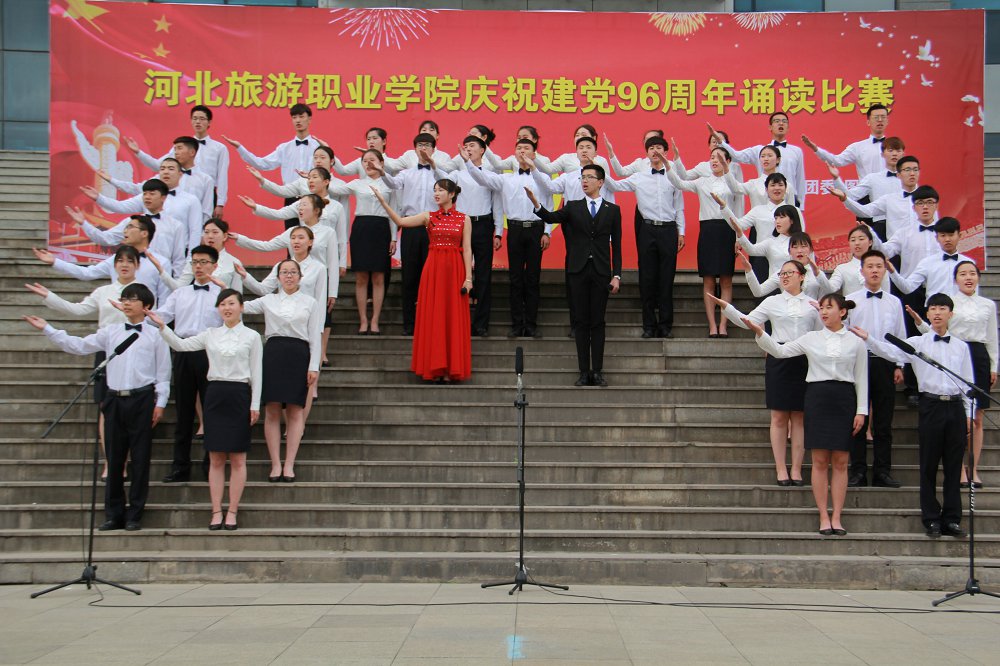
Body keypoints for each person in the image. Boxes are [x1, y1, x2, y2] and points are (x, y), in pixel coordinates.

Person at [23, 283, 170, 531]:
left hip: (142, 399)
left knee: (140, 458)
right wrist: (48, 329)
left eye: (132, 299)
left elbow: (163, 373)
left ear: (146, 306)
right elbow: (79, 346)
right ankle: (114, 513)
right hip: (114, 398)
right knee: (114, 457)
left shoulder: (156, 335)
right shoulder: (111, 331)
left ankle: (135, 513)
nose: (126, 303)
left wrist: (161, 403)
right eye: (124, 299)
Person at [744, 293, 867, 535]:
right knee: (819, 461)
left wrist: (861, 411)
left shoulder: (856, 342)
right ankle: (823, 516)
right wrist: (761, 334)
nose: (823, 312)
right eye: (821, 308)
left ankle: (837, 516)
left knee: (841, 461)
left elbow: (862, 378)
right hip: (817, 397)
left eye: (829, 307)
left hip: (844, 399)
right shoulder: (811, 338)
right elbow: (780, 352)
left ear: (842, 312)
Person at [851, 293, 973, 538]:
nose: (937, 313)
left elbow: (967, 381)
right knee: (928, 465)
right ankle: (931, 518)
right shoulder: (918, 343)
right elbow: (890, 351)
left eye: (942, 309)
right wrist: (869, 339)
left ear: (951, 314)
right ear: (927, 314)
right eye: (933, 309)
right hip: (931, 405)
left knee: (953, 466)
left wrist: (969, 412)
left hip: (955, 407)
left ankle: (952, 518)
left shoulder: (961, 346)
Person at [150, 289, 262, 531]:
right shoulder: (210, 334)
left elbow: (257, 373)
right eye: (222, 304)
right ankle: (216, 511)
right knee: (216, 457)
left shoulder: (252, 336)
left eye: (231, 303)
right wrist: (162, 326)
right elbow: (181, 345)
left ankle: (232, 511)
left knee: (238, 458)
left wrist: (255, 404)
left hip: (240, 394)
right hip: (215, 395)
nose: (227, 308)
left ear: (241, 307)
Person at [25, 244, 139, 481]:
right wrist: (49, 296)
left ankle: (125, 461)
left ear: (137, 265)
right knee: (106, 407)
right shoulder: (104, 291)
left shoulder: (144, 291)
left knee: (129, 409)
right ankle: (110, 461)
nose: (125, 265)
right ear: (114, 265)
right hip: (106, 350)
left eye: (130, 261)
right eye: (120, 260)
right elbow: (77, 310)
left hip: (135, 350)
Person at [712, 260, 823, 485]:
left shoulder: (813, 304)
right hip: (777, 357)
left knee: (799, 417)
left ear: (802, 276)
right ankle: (781, 468)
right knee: (779, 416)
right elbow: (748, 322)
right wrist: (728, 308)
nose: (785, 276)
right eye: (782, 273)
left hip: (805, 359)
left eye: (790, 273)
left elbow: (821, 334)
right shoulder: (772, 301)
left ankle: (797, 469)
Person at [526, 164, 622, 387]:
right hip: (577, 271)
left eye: (589, 177)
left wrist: (616, 275)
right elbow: (550, 217)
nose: (584, 181)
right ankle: (583, 372)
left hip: (601, 272)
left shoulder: (612, 210)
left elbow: (616, 246)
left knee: (597, 322)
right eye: (582, 177)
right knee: (580, 321)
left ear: (601, 182)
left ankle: (597, 371)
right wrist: (536, 204)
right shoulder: (573, 206)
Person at [371, 179, 472, 382]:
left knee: (452, 315)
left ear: (452, 194)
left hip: (455, 271)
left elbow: (467, 249)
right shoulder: (428, 216)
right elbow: (401, 222)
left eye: (440, 190)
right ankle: (434, 368)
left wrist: (468, 278)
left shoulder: (464, 219)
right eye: (435, 190)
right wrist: (383, 202)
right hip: (433, 270)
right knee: (434, 315)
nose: (436, 193)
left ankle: (451, 369)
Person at [909, 261, 996, 489]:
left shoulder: (987, 304)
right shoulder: (948, 303)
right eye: (962, 274)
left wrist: (994, 365)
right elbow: (937, 332)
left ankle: (973, 468)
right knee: (960, 417)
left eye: (972, 273)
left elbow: (991, 337)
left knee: (977, 417)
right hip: (953, 353)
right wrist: (920, 324)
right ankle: (959, 470)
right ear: (955, 279)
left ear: (978, 277)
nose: (968, 277)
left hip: (978, 355)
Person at [243, 259, 322, 483]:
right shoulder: (268, 300)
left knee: (295, 411)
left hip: (299, 354)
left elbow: (315, 336)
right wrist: (224, 285)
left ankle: (289, 464)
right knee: (272, 410)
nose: (289, 276)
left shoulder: (310, 302)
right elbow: (241, 306)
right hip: (273, 354)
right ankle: (275, 464)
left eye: (293, 272)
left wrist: (313, 366)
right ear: (277, 277)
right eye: (284, 272)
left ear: (300, 276)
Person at [467, 138, 553, 338]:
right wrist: (468, 163)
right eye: (519, 148)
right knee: (515, 279)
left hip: (536, 229)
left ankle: (531, 325)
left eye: (527, 148)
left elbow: (549, 204)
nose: (522, 151)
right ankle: (516, 324)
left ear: (534, 154)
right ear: (514, 153)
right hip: (514, 230)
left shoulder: (542, 178)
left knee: (532, 279)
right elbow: (482, 179)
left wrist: (547, 231)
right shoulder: (505, 179)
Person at [152, 245, 222, 484]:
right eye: (194, 262)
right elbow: (162, 316)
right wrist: (141, 316)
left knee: (211, 410)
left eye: (203, 262)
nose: (198, 267)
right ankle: (180, 466)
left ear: (214, 265)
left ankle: (210, 464)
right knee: (183, 411)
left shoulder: (221, 294)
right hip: (183, 350)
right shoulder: (179, 294)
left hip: (210, 352)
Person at [603, 135, 684, 338]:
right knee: (647, 279)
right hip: (647, 230)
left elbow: (679, 207)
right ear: (646, 153)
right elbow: (614, 185)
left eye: (659, 147)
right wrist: (603, 163)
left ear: (665, 152)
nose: (655, 151)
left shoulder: (673, 176)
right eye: (651, 148)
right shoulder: (639, 176)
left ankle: (665, 326)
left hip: (668, 230)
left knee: (666, 279)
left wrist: (681, 231)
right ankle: (649, 326)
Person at [845, 250, 906, 488]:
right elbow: (844, 332)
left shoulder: (894, 302)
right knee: (858, 419)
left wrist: (899, 365)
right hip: (858, 362)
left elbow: (900, 336)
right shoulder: (851, 300)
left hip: (885, 363)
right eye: (869, 266)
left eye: (879, 266)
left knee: (883, 421)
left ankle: (882, 471)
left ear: (884, 270)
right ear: (862, 271)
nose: (874, 270)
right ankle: (858, 471)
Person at [666, 144, 739, 337]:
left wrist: (739, 237)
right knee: (708, 280)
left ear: (728, 161)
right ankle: (712, 325)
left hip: (727, 231)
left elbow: (739, 211)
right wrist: (672, 161)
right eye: (712, 157)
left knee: (726, 280)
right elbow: (680, 182)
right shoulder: (702, 182)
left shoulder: (733, 183)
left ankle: (723, 324)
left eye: (719, 157)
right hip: (708, 231)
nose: (714, 160)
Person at [380, 133, 442, 336]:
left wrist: (434, 166)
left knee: (432, 277)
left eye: (427, 145)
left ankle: (431, 322)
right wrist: (381, 172)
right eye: (420, 145)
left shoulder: (440, 173)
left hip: (434, 227)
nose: (423, 148)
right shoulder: (406, 173)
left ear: (434, 149)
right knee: (409, 276)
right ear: (414, 149)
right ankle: (409, 323)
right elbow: (393, 184)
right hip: (411, 227)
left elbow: (448, 185)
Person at [34, 214, 170, 306]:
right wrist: (55, 261)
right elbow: (87, 273)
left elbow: (164, 300)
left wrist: (155, 324)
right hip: (116, 323)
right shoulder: (116, 260)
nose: (125, 232)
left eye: (130, 227)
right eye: (125, 228)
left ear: (144, 233)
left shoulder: (161, 263)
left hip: (148, 327)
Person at [443, 135, 504, 337]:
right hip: (462, 225)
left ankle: (481, 324)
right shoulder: (457, 174)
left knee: (483, 275)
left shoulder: (491, 175)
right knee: (460, 273)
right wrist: (431, 163)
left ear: (482, 150)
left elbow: (497, 204)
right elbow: (442, 181)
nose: (468, 149)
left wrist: (498, 232)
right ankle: (458, 321)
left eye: (472, 146)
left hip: (483, 225)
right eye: (466, 146)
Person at [224, 103, 319, 229]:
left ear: (309, 119)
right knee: (291, 236)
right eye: (294, 117)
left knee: (314, 235)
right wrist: (240, 148)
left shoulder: (318, 147)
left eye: (301, 117)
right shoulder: (284, 148)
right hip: (291, 197)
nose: (298, 120)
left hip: (313, 197)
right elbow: (262, 163)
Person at [73, 178, 187, 277]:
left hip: (162, 275)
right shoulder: (132, 222)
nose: (147, 197)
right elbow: (106, 238)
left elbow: (178, 259)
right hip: (132, 275)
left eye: (152, 194)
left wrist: (176, 284)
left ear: (163, 197)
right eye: (145, 194)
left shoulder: (176, 225)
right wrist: (84, 224)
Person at [131, 105, 230, 218]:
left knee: (203, 223)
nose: (198, 122)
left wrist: (220, 204)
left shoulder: (219, 148)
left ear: (209, 122)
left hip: (206, 193)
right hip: (182, 191)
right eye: (195, 118)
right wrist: (138, 152)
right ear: (191, 121)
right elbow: (157, 166)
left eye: (202, 119)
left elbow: (222, 177)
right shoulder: (181, 147)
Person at [91, 158, 204, 252]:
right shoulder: (146, 196)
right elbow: (121, 206)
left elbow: (195, 231)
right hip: (147, 252)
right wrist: (99, 198)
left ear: (180, 174)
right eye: (162, 169)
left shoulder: (191, 200)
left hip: (178, 252)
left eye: (170, 169)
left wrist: (191, 260)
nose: (166, 172)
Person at [710, 113, 807, 209]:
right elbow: (737, 156)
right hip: (764, 196)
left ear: (788, 127)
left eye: (784, 121)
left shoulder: (796, 151)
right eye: (777, 121)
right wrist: (720, 142)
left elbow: (800, 180)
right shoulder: (759, 150)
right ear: (770, 127)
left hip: (787, 197)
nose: (781, 123)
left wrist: (800, 205)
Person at [825, 136, 906, 241]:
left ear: (903, 154)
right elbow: (851, 196)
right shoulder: (873, 179)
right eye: (890, 150)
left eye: (898, 151)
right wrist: (836, 178)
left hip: (904, 226)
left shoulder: (909, 179)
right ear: (882, 154)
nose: (894, 154)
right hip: (881, 225)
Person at [887, 217, 973, 304]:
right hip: (936, 310)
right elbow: (907, 288)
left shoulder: (969, 263)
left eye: (951, 235)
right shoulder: (927, 263)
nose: (947, 239)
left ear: (959, 236)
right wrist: (893, 272)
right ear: (937, 238)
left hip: (962, 310)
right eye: (943, 235)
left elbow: (973, 292)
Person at [127, 135, 213, 221]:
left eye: (179, 148)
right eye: (175, 149)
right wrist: (138, 152)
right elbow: (155, 166)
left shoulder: (205, 180)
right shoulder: (164, 177)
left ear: (192, 152)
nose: (176, 152)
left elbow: (206, 211)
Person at [802, 103, 891, 181]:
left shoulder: (895, 148)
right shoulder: (858, 147)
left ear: (887, 121)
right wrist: (815, 149)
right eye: (876, 117)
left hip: (892, 192)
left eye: (883, 117)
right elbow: (837, 161)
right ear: (868, 122)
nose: (880, 120)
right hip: (867, 193)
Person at [160, 218, 244, 292]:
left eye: (215, 232)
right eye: (206, 232)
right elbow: (178, 287)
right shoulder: (194, 260)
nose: (210, 236)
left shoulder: (234, 262)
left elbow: (237, 294)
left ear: (225, 236)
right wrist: (161, 271)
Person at [823, 226, 881, 296]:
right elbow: (830, 289)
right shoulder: (842, 268)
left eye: (861, 239)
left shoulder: (879, 266)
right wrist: (818, 273)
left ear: (870, 242)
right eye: (853, 240)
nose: (857, 243)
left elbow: (885, 291)